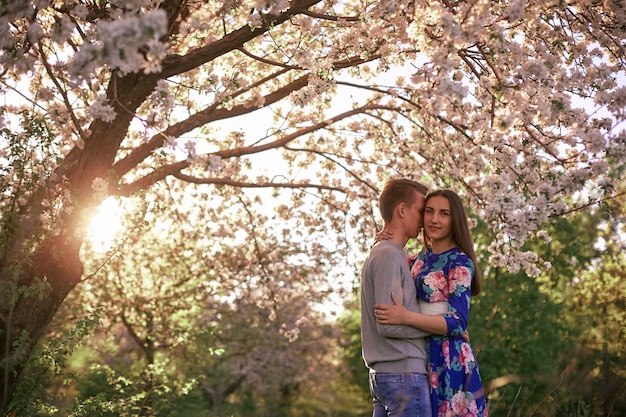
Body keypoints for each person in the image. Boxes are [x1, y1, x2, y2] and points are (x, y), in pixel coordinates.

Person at [374, 189, 488, 417]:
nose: (434, 219)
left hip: (449, 360)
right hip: (416, 357)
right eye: (429, 212)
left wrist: (407, 317)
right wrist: (383, 241)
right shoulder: (414, 260)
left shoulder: (460, 262)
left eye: (444, 214)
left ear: (454, 219)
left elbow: (457, 323)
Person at [360, 178, 433, 417]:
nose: (424, 221)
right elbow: (388, 324)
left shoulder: (388, 253)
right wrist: (439, 328)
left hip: (390, 377)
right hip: (403, 376)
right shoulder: (388, 255)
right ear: (402, 209)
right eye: (420, 212)